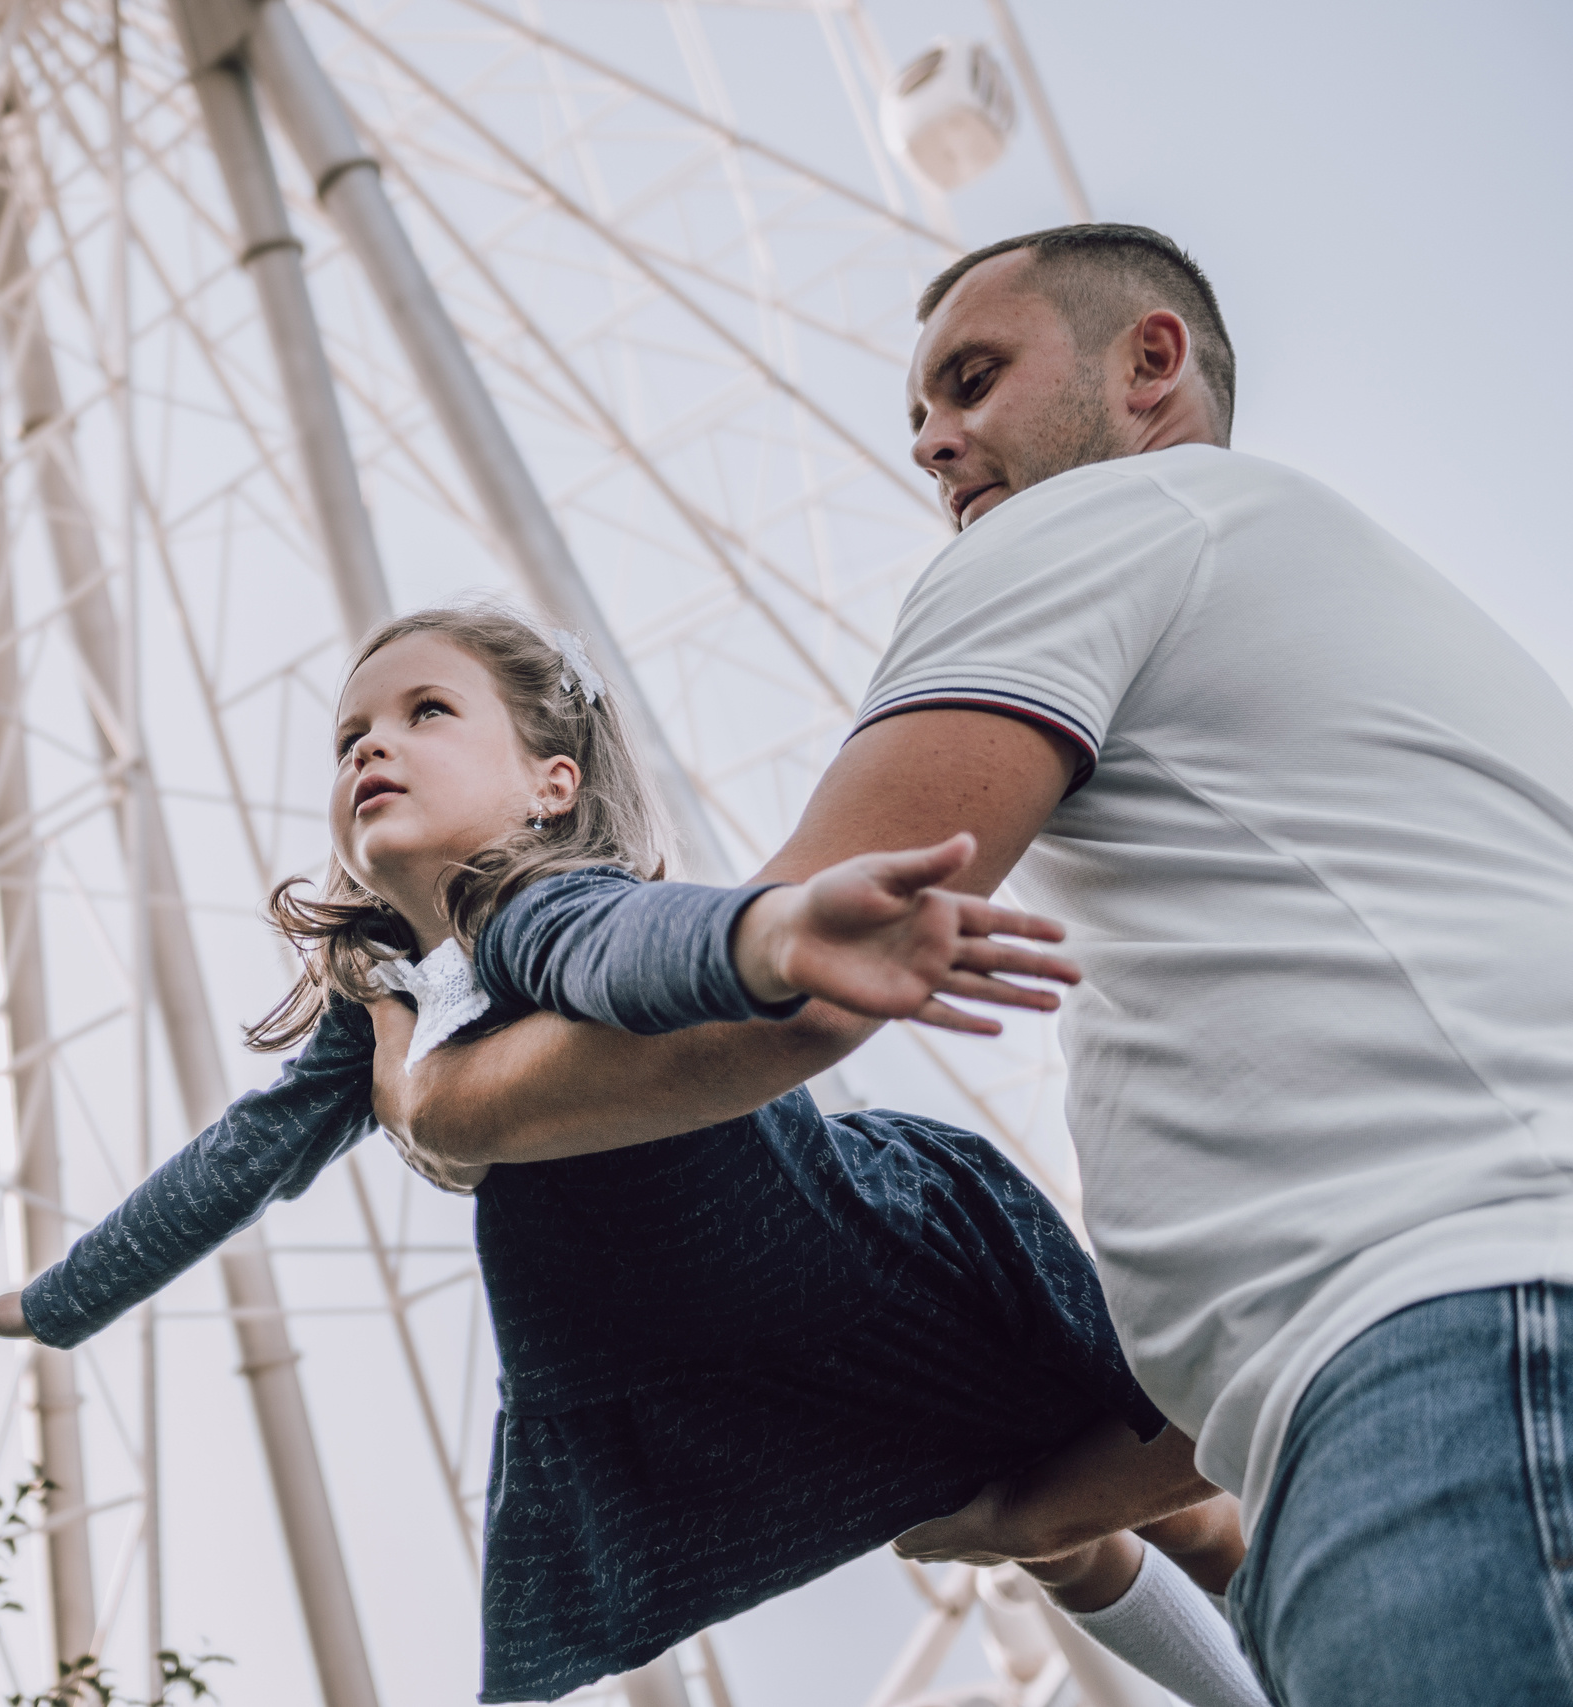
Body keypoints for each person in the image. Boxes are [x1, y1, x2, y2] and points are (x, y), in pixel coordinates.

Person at [381, 225, 1573, 1705]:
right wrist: (1035, 1511)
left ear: (1150, 363)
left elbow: (794, 992)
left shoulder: (1090, 525)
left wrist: (443, 1101)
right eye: (918, 418)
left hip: (1471, 1352)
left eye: (974, 380)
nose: (938, 445)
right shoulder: (1334, 607)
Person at [0, 604, 1262, 1707]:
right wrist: (60, 1303)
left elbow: (626, 950)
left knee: (1162, 1500)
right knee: (1066, 1529)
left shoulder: (531, 906)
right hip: (682, 1368)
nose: (370, 749)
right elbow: (248, 1157)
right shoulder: (390, 993)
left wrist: (771, 939)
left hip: (861, 1274)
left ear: (550, 785)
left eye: (425, 713)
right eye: (348, 737)